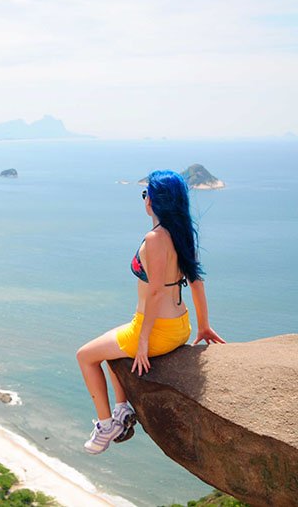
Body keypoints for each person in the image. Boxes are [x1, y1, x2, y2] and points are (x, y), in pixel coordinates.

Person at [75, 170, 225, 455]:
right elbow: (196, 281)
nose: (144, 199)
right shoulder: (181, 233)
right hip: (180, 327)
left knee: (84, 356)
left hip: (154, 329)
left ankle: (106, 426)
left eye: (146, 194)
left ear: (153, 201)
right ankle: (122, 411)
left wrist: (143, 341)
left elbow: (155, 291)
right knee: (110, 349)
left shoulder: (155, 238)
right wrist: (203, 325)